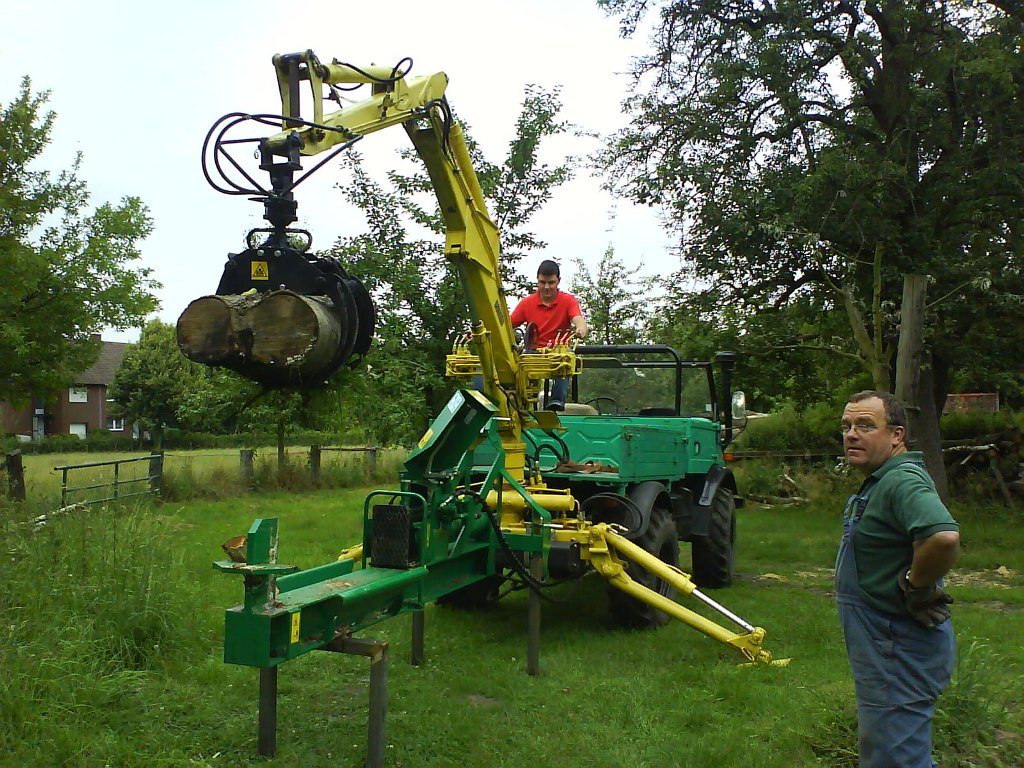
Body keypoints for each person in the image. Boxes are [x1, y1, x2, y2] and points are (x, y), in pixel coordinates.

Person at [837, 390, 960, 768]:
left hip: (896, 648)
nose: (852, 434)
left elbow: (943, 536)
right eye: (846, 426)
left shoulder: (901, 480)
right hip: (884, 648)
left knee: (896, 759)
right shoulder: (880, 479)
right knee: (893, 752)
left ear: (897, 435)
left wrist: (917, 586)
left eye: (865, 425)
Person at [509, 259, 588, 410]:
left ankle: (557, 401)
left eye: (551, 282)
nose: (546, 287)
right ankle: (522, 401)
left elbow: (578, 319)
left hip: (557, 351)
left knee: (565, 359)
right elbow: (507, 325)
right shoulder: (527, 303)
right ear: (537, 281)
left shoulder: (567, 301)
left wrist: (581, 329)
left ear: (558, 281)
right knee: (520, 362)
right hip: (533, 351)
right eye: (542, 282)